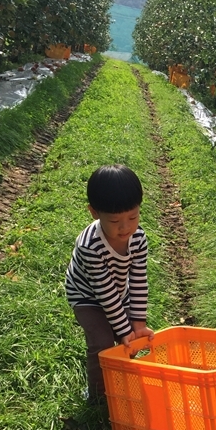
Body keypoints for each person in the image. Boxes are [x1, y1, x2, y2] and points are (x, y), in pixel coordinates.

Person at [66, 164, 154, 404]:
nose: (125, 227)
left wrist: (137, 325)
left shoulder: (138, 239)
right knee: (103, 343)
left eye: (133, 217)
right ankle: (97, 395)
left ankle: (123, 381)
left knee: (128, 339)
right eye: (115, 220)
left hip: (118, 291)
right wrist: (125, 331)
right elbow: (105, 295)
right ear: (94, 212)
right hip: (87, 297)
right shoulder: (90, 246)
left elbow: (138, 280)